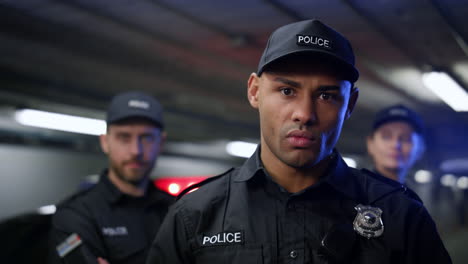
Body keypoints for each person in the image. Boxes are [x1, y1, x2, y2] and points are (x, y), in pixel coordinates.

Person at [146, 19, 451, 263]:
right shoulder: (195, 215)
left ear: (350, 105)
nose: (305, 114)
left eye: (327, 96)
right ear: (254, 91)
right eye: (287, 91)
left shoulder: (400, 215)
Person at [50, 91, 174, 264]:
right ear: (105, 142)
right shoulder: (75, 215)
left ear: (160, 143)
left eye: (146, 138)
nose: (135, 151)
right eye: (124, 137)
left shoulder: (177, 210)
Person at [366, 104, 425, 184]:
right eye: (386, 137)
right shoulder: (353, 192)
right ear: (370, 144)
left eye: (406, 139)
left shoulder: (412, 195)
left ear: (420, 148)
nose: (395, 145)